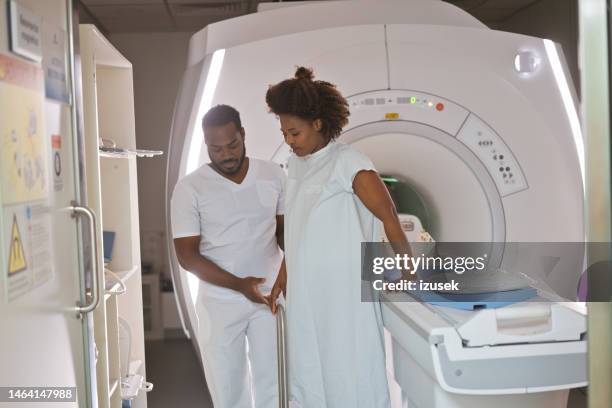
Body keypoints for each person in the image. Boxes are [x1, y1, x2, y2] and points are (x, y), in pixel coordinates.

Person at [266, 67, 412, 408]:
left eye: (295, 132)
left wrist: (409, 271)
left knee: (348, 369)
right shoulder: (296, 165)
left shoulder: (350, 162)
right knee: (309, 370)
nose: (289, 140)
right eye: (284, 133)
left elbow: (389, 216)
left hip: (343, 292)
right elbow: (299, 229)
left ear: (318, 124)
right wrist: (284, 274)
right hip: (307, 291)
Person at [171, 104, 286, 408]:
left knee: (276, 386)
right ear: (206, 145)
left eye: (232, 144)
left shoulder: (274, 174)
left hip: (269, 297)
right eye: (216, 148)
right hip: (219, 303)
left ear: (243, 135)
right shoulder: (189, 189)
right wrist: (238, 285)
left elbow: (286, 234)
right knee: (228, 390)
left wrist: (288, 275)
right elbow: (187, 257)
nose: (226, 154)